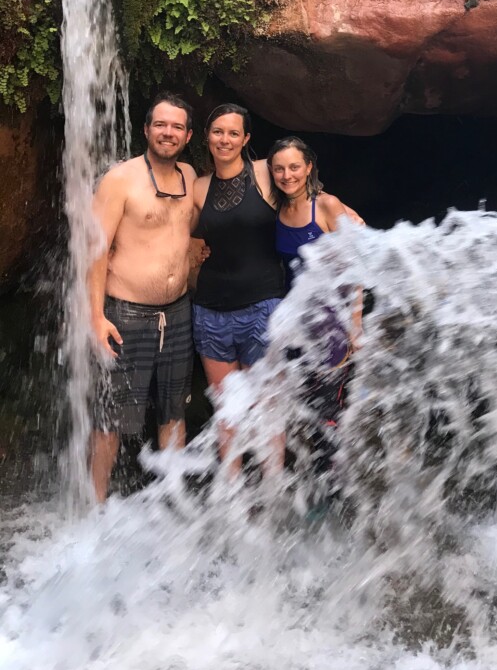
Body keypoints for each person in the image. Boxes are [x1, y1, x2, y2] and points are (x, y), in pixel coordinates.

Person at [192, 107, 362, 472]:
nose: (225, 139)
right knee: (258, 407)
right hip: (251, 314)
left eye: (234, 133)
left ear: (247, 139)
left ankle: (317, 489)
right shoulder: (207, 189)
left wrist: (356, 321)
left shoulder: (295, 189)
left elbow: (353, 258)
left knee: (306, 405)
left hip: (297, 314)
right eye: (218, 132)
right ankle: (253, 496)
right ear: (206, 135)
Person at [88, 92, 198, 503]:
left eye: (176, 127)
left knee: (174, 410)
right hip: (126, 314)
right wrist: (95, 316)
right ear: (146, 129)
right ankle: (94, 507)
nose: (167, 132)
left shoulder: (189, 176)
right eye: (160, 125)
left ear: (188, 135)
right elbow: (94, 250)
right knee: (111, 417)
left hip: (178, 312)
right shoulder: (120, 179)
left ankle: (174, 500)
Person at [268, 136, 363, 468]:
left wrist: (355, 323)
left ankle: (338, 487)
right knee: (304, 405)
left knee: (330, 409)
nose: (287, 175)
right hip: (296, 324)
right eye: (279, 169)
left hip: (330, 323)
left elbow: (355, 264)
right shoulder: (277, 207)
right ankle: (317, 482)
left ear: (309, 168)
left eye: (295, 167)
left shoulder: (326, 206)